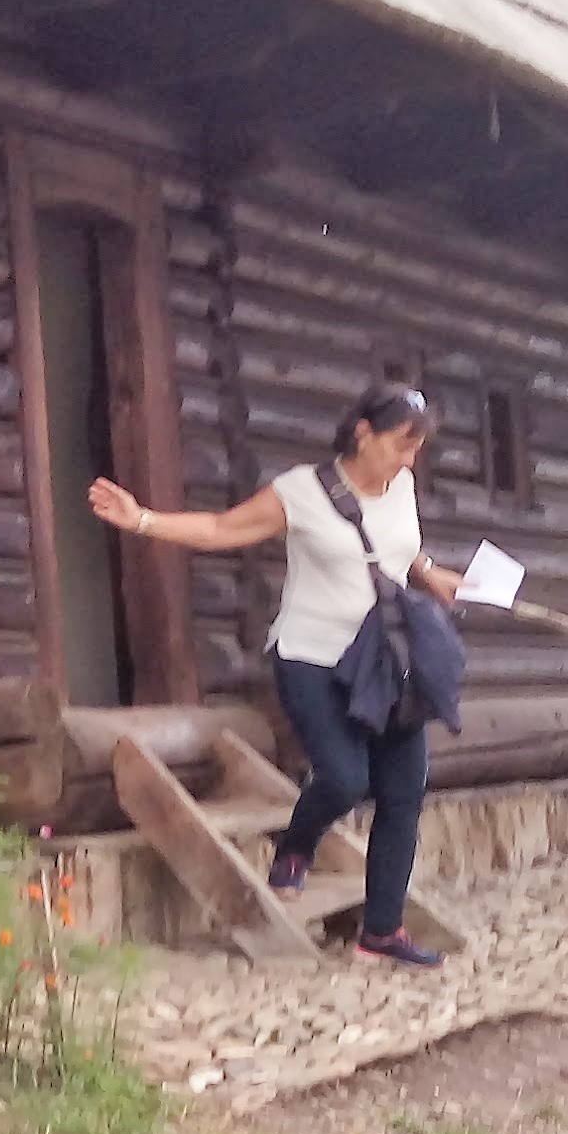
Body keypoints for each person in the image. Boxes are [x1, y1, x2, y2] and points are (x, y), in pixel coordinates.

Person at [85, 383, 461, 967]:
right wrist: (142, 521)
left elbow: (395, 547)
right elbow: (221, 529)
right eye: (400, 445)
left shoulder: (402, 486)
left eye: (416, 449)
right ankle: (296, 845)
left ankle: (381, 932)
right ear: (363, 433)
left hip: (386, 661)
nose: (408, 460)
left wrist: (429, 571)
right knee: (344, 778)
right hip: (312, 660)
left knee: (404, 791)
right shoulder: (302, 492)